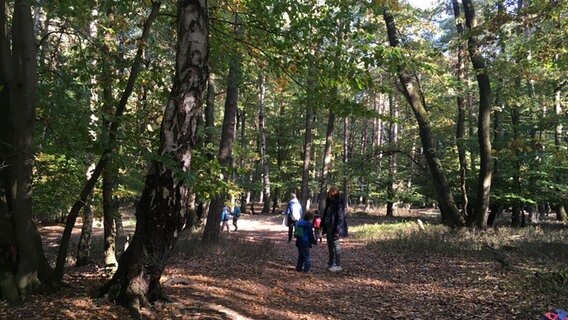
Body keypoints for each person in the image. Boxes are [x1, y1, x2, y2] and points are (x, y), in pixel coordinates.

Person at [322, 187, 348, 272]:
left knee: (336, 245)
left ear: (334, 193)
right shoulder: (329, 202)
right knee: (330, 245)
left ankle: (338, 264)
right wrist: (322, 224)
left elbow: (340, 217)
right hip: (329, 226)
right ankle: (331, 263)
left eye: (330, 192)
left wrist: (337, 230)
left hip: (335, 228)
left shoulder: (338, 202)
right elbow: (326, 214)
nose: (329, 194)